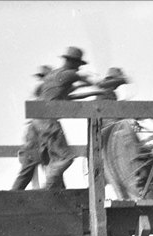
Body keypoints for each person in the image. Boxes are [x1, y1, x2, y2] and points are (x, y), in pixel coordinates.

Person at [11, 46, 96, 191]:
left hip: (35, 123)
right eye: (78, 65)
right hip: (47, 121)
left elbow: (66, 97)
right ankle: (47, 190)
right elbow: (89, 82)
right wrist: (98, 85)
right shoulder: (71, 74)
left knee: (35, 162)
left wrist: (88, 93)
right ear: (74, 62)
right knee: (65, 158)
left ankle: (12, 196)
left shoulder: (53, 76)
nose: (78, 68)